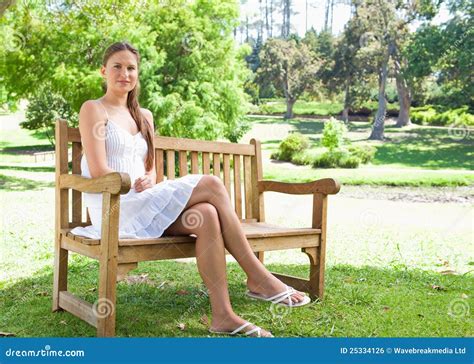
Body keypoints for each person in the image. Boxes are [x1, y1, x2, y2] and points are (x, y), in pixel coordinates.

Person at [71, 42, 310, 338]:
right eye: (117, 67)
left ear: (138, 74)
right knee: (211, 183)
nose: (124, 73)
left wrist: (148, 178)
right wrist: (133, 182)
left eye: (131, 68)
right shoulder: (94, 109)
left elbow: (150, 169)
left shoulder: (143, 116)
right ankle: (258, 277)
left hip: (143, 204)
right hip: (115, 208)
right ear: (103, 71)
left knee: (208, 214)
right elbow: (98, 172)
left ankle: (222, 315)